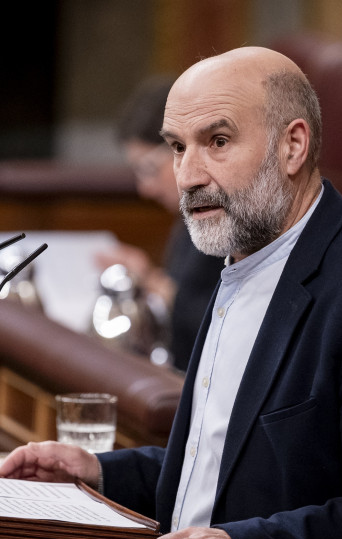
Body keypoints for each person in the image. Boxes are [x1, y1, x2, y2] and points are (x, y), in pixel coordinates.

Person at [0, 46, 342, 539]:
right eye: (178, 147)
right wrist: (104, 472)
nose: (187, 176)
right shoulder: (245, 253)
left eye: (217, 142)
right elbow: (228, 465)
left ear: (292, 146)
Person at [96, 75, 223, 372]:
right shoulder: (189, 217)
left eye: (150, 169)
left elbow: (219, 324)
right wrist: (148, 277)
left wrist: (151, 282)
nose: (145, 189)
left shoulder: (230, 217)